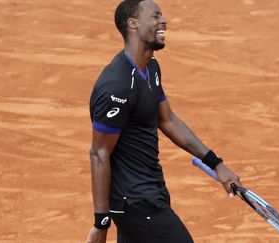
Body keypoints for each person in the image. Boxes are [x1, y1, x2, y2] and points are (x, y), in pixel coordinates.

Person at [85, 0, 242, 242]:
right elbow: (99, 154)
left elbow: (167, 120)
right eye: (156, 16)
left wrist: (216, 163)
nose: (163, 21)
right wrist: (101, 222)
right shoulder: (116, 86)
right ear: (133, 24)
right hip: (135, 202)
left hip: (152, 191)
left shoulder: (151, 68)